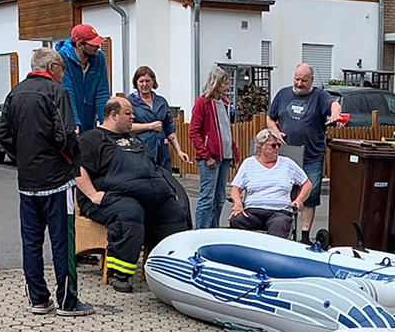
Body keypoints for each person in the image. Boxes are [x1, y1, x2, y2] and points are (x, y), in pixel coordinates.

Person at [0, 47, 91, 316]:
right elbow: (65, 134)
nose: (64, 71)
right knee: (63, 242)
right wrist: (67, 155)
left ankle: (38, 299)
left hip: (27, 181)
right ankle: (67, 301)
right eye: (62, 67)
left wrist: (23, 156)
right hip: (57, 180)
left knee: (31, 242)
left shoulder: (14, 93)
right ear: (51, 68)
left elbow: (4, 135)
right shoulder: (56, 93)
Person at [76, 94, 190, 292]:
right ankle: (119, 273)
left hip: (148, 197)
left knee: (175, 215)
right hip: (110, 199)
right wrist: (93, 194)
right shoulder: (92, 138)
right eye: (128, 113)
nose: (133, 118)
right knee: (129, 213)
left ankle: (171, 270)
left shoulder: (133, 139)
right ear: (113, 115)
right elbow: (77, 169)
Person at [267, 63, 341, 241]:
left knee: (310, 196)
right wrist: (275, 132)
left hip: (311, 156)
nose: (299, 83)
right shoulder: (283, 94)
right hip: (286, 155)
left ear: (312, 81)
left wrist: (335, 114)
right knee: (285, 194)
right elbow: (270, 117)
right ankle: (285, 232)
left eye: (304, 80)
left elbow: (334, 105)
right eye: (296, 79)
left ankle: (305, 236)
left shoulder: (319, 96)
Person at [229, 129, 311, 238]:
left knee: (279, 225)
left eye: (278, 145)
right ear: (260, 147)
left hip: (279, 212)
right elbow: (235, 188)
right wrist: (238, 203)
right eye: (273, 145)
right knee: (237, 221)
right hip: (252, 211)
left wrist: (299, 200)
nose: (277, 148)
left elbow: (307, 184)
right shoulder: (249, 164)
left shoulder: (287, 163)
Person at [188, 66, 235, 228]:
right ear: (216, 83)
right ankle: (201, 230)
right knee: (207, 197)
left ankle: (213, 229)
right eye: (225, 83)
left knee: (219, 197)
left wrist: (233, 153)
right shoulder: (202, 103)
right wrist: (205, 155)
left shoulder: (224, 103)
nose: (227, 87)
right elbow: (193, 131)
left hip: (224, 157)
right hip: (210, 157)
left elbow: (227, 130)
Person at [56, 23, 111, 133]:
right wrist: (74, 123)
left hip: (90, 120)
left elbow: (102, 92)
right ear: (80, 45)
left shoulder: (99, 58)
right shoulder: (62, 59)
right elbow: (68, 93)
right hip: (72, 121)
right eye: (93, 44)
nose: (98, 47)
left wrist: (106, 123)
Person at [127, 66, 177, 174]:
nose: (145, 84)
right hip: (140, 150)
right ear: (136, 83)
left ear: (153, 81)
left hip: (162, 151)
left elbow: (169, 128)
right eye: (141, 81)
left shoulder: (161, 102)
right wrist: (149, 126)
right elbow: (126, 126)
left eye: (148, 81)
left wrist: (179, 150)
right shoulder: (129, 102)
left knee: (166, 182)